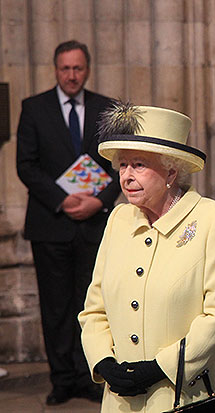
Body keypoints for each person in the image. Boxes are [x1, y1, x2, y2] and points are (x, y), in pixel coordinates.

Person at [78, 102, 215, 412]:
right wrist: (104, 362)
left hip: (187, 395)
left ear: (171, 170)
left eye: (138, 165)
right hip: (121, 398)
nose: (126, 176)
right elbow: (94, 309)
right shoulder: (119, 220)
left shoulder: (214, 220)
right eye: (122, 165)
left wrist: (159, 368)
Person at [16, 40, 119, 405]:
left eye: (77, 68)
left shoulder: (107, 108)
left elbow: (118, 165)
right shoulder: (34, 108)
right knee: (55, 306)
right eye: (65, 69)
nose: (71, 75)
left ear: (87, 69)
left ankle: (88, 376)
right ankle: (61, 379)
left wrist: (98, 201)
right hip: (50, 223)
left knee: (89, 304)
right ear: (55, 70)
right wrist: (62, 199)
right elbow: (25, 165)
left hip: (94, 223)